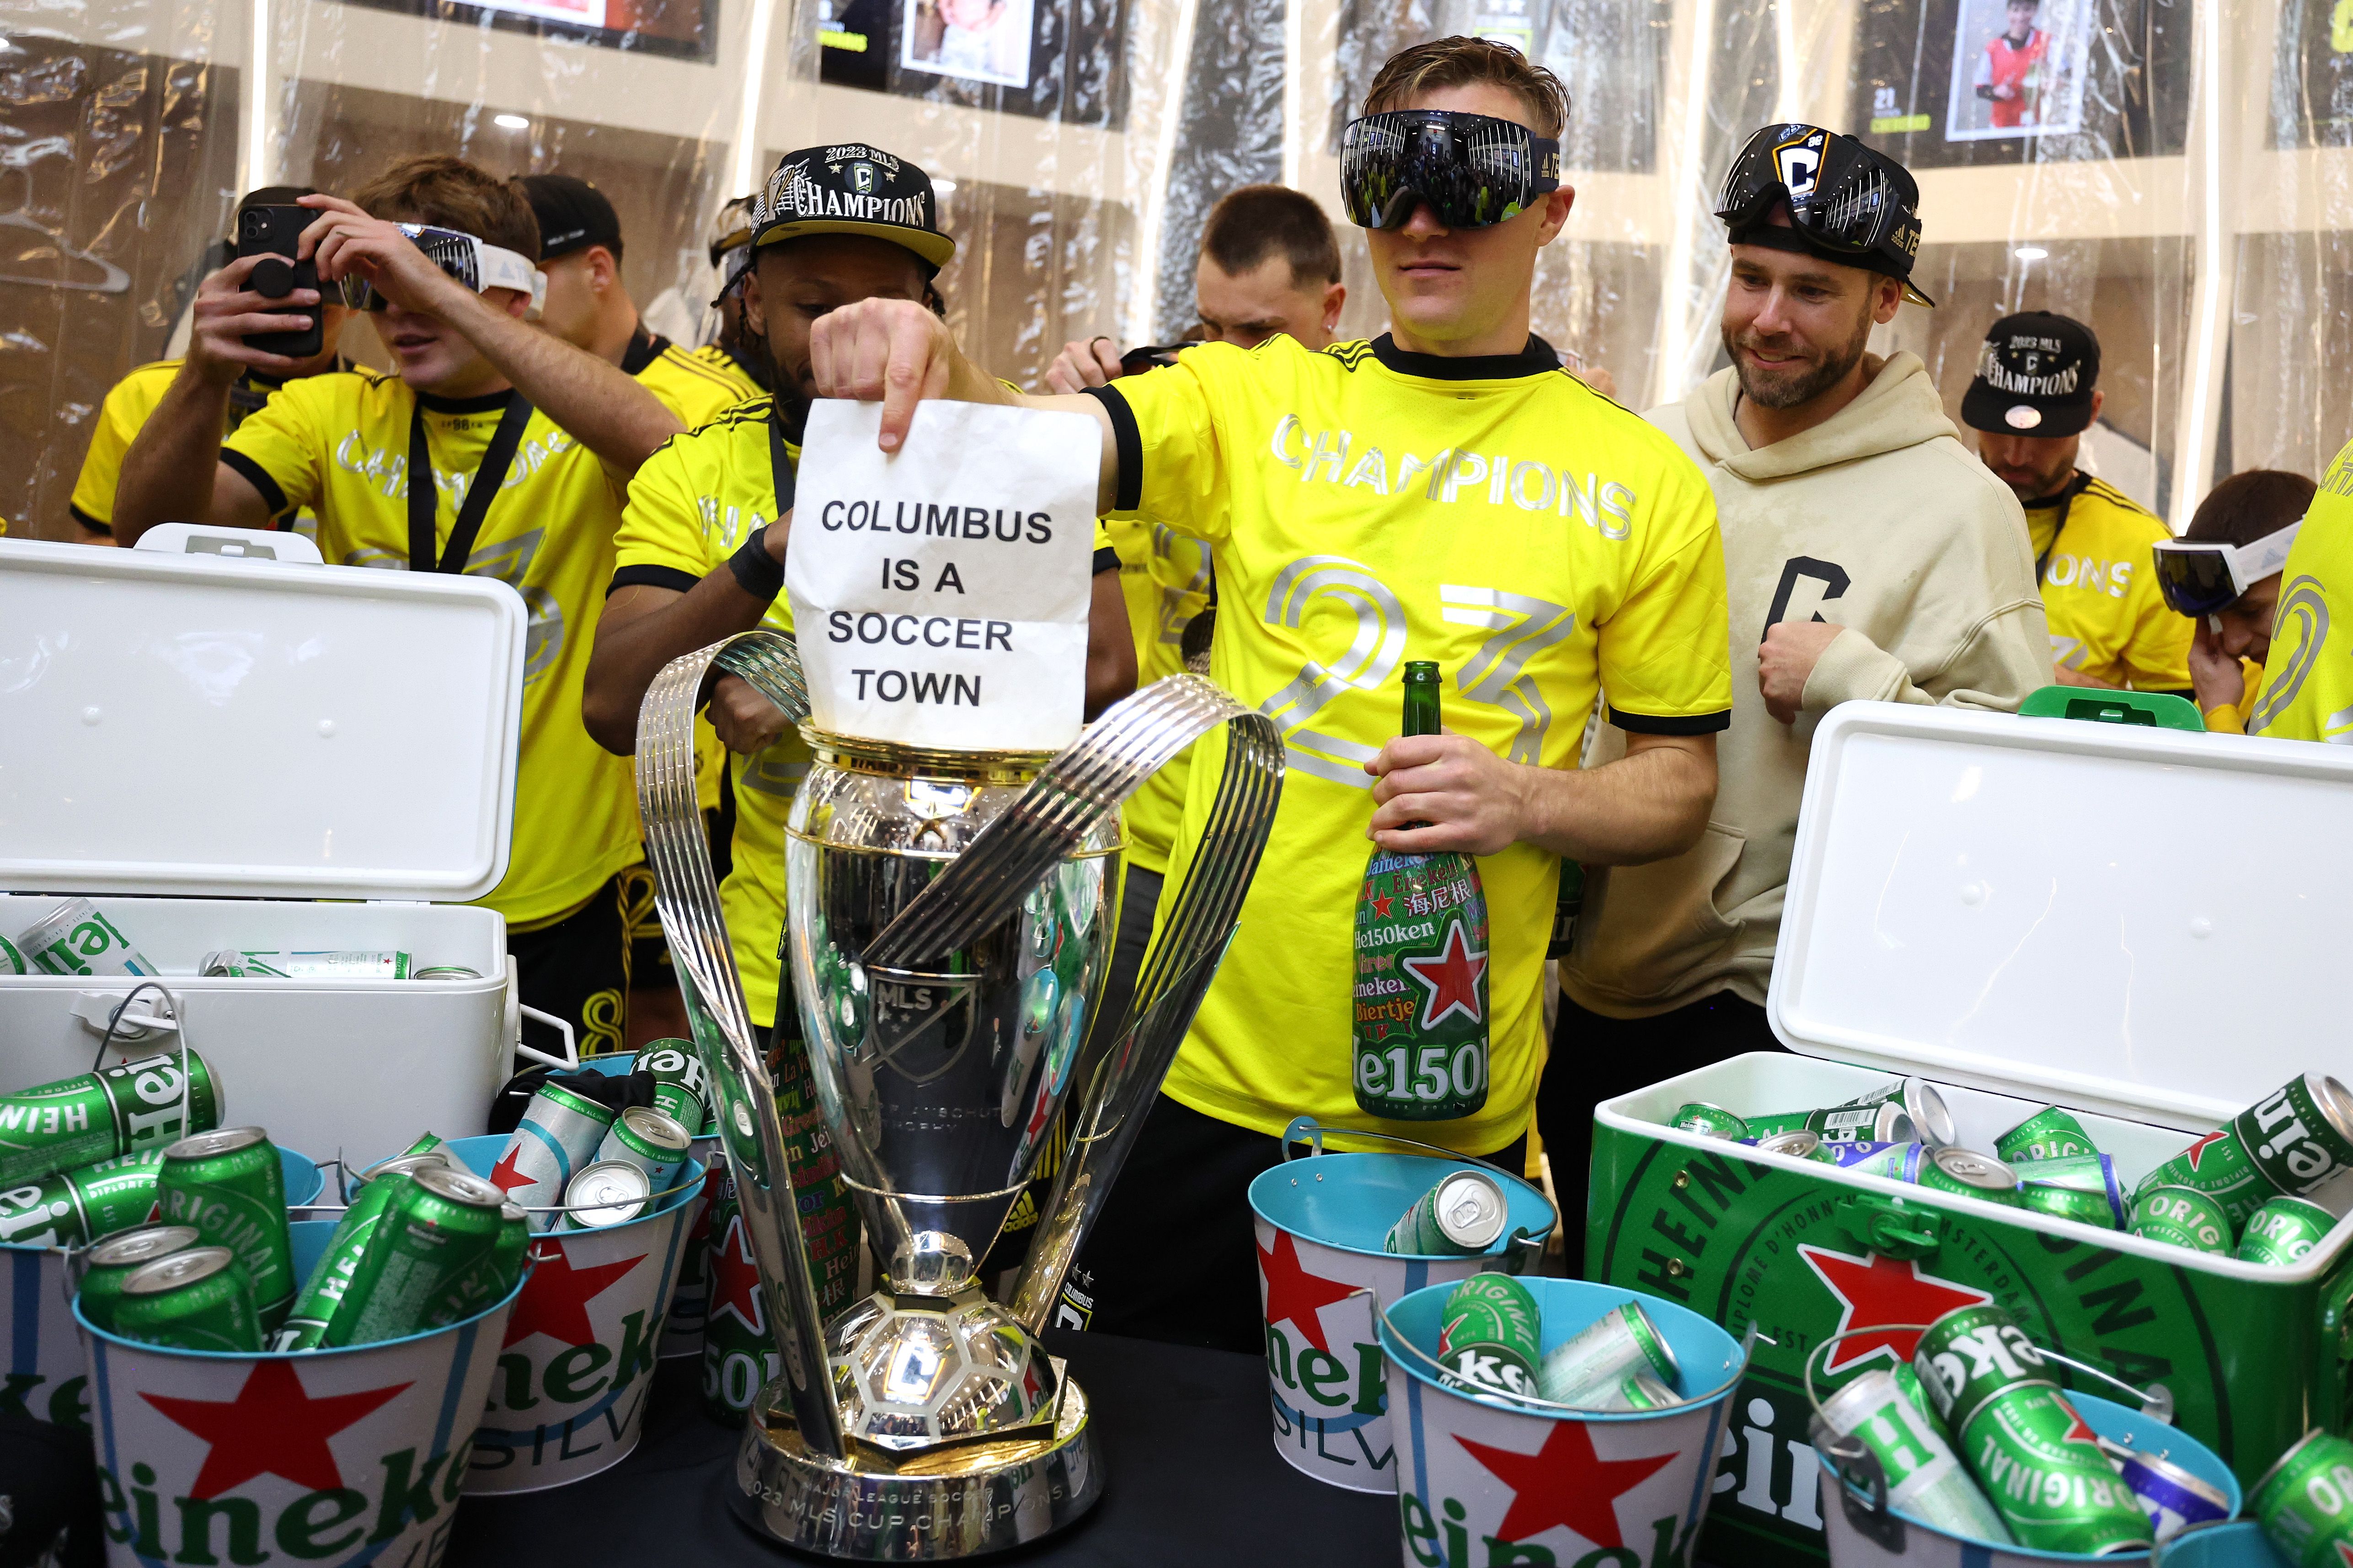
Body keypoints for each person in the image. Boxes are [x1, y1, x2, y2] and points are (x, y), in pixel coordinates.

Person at [805, 36, 1735, 1350]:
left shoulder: (1644, 480)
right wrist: (924, 349)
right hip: (1194, 1081)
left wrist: (1525, 795)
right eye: (1387, 174)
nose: (1420, 216)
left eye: (1470, 178)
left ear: (1550, 210)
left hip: (1439, 1117)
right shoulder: (1260, 397)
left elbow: (1679, 779)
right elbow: (1027, 442)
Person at [1552, 123, 2051, 1240]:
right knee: (1595, 1310)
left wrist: (1859, 683)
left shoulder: (1962, 509)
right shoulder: (1647, 450)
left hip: (1794, 1022)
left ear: (1887, 303)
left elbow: (2025, 799)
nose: (1768, 318)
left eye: (1813, 291)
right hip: (1607, 981)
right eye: (1751, 278)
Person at [112, 154, 685, 1061]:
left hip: (551, 887)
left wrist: (436, 290)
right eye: (370, 284)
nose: (394, 314)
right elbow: (148, 526)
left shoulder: (576, 423)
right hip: (360, 879)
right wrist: (201, 376)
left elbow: (660, 439)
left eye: (422, 278)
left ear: (512, 290)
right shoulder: (331, 412)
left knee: (547, 1164)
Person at [579, 142, 1135, 1051]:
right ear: (752, 303)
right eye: (814, 304)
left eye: (881, 307)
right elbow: (613, 705)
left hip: (997, 946)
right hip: (780, 961)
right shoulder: (698, 469)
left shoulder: (1011, 442)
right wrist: (769, 553)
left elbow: (1107, 670)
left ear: (928, 313)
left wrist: (812, 681)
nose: (848, 332)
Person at [517, 172, 761, 1046]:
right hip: (554, 799)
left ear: (596, 269)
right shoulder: (494, 390)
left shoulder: (709, 398)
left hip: (683, 791)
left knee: (672, 1027)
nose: (508, 297)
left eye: (527, 270)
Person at [70, 186, 353, 544]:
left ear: (353, 294)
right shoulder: (146, 395)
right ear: (229, 280)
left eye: (315, 298)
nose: (292, 305)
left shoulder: (376, 407)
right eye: (272, 286)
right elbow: (94, 545)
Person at [1964, 311, 2189, 693]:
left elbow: (2180, 717)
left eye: (2045, 435)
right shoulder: (1923, 512)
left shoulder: (2141, 547)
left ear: (2094, 412)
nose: (2017, 455)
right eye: (1999, 429)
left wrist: (2059, 689)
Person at [2150, 469, 2314, 734]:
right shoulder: (2241, 685)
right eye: (2216, 619)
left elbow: (2245, 779)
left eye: (2252, 611)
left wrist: (2221, 716)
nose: (2233, 644)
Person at [1974, 0, 2049, 131]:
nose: (2020, 17)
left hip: (2037, 127)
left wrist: (2053, 83)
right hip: (2001, 127)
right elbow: (1980, 89)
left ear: (2035, 10)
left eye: (2027, 10)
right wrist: (1997, 92)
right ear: (2008, 13)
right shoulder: (1993, 48)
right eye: (2015, 10)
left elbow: (2068, 78)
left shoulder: (2047, 42)